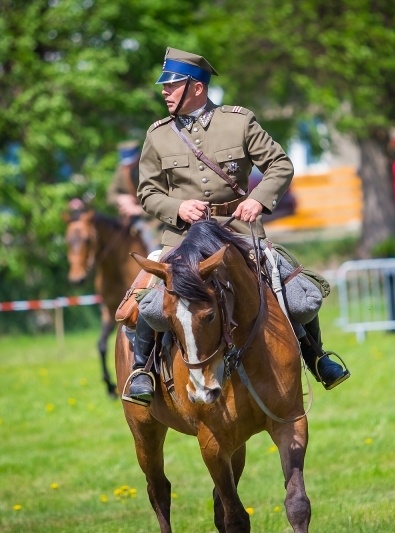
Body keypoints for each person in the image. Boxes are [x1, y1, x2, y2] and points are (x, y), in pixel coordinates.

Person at [118, 47, 349, 406]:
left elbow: (280, 165)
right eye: (164, 85)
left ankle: (316, 357)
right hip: (182, 237)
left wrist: (258, 200)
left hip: (238, 231)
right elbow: (147, 192)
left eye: (172, 84)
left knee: (293, 290)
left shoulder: (238, 122)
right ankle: (142, 370)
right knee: (150, 299)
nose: (164, 91)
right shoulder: (158, 135)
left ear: (196, 87)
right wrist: (178, 207)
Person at [106, 140, 161, 253]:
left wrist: (139, 210)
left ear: (138, 157)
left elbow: (162, 201)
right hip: (129, 220)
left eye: (131, 162)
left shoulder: (152, 169)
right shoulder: (123, 171)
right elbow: (110, 196)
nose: (128, 166)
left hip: (154, 220)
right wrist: (121, 199)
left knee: (153, 246)